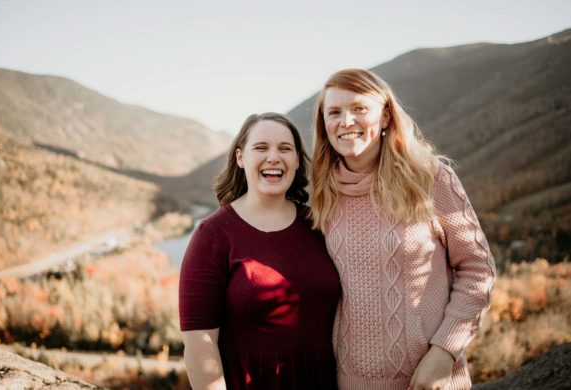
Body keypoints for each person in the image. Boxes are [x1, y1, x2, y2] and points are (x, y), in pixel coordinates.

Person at [310, 69, 496, 390]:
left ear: (384, 117)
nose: (346, 121)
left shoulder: (431, 179)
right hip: (346, 382)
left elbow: (478, 270)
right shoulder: (319, 193)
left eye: (359, 109)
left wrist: (443, 352)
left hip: (430, 380)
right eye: (335, 112)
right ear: (323, 124)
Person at [179, 112, 340, 390]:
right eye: (261, 148)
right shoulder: (213, 234)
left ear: (297, 161)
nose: (274, 157)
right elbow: (198, 342)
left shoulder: (321, 225)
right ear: (241, 158)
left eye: (285, 149)